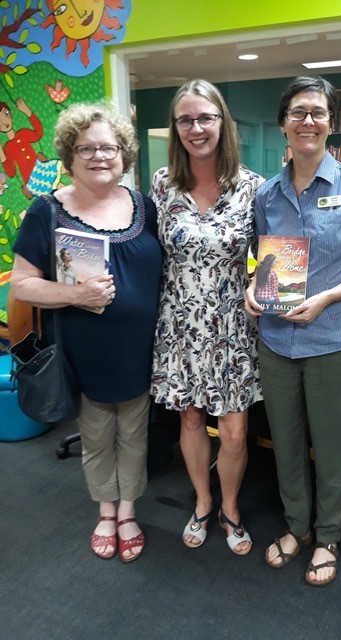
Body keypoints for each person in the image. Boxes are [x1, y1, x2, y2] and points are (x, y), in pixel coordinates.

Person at [245, 75, 341, 586]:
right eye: (298, 112)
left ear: (331, 123)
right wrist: (252, 288)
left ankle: (327, 537)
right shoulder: (266, 194)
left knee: (332, 449)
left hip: (335, 341)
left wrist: (327, 297)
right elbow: (263, 262)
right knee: (285, 445)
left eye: (318, 112)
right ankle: (296, 527)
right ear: (283, 124)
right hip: (277, 342)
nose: (308, 121)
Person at [10, 103, 163, 563]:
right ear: (70, 155)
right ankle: (105, 511)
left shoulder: (144, 206)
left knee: (135, 433)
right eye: (87, 148)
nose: (100, 156)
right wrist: (75, 295)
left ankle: (128, 511)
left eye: (109, 148)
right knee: (96, 435)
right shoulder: (47, 211)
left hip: (140, 349)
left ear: (124, 154)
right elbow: (21, 286)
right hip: (85, 351)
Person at [150, 79, 263, 555]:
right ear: (176, 127)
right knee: (192, 418)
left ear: (223, 123)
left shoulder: (253, 187)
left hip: (231, 326)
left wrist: (259, 283)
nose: (196, 128)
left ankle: (229, 508)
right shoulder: (162, 184)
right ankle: (202, 501)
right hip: (179, 323)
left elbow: (273, 257)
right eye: (186, 120)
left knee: (234, 430)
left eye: (205, 118)